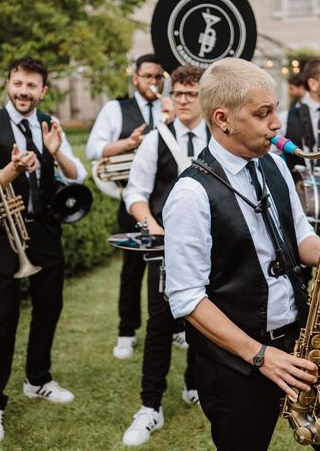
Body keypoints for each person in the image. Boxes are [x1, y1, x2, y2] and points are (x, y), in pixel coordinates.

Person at [163, 57, 320, 451]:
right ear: (223, 119)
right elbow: (186, 298)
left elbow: (300, 238)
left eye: (275, 109)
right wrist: (262, 357)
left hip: (299, 340)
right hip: (236, 362)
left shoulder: (273, 164)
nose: (277, 123)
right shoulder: (190, 195)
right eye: (263, 114)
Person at [0, 56, 87, 444]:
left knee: (49, 307)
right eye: (18, 84)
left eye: (31, 86)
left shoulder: (47, 123)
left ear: (43, 91)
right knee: (3, 318)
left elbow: (76, 174)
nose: (23, 91)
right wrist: (14, 169)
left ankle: (38, 379)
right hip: (4, 234)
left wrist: (56, 150)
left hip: (45, 230)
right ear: (8, 84)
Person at [120, 65, 208, 446]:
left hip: (208, 248)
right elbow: (135, 193)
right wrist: (151, 225)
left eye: (192, 93)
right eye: (179, 93)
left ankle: (195, 384)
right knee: (159, 326)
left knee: (206, 323)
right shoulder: (157, 140)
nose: (185, 100)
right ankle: (149, 406)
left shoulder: (219, 140)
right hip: (165, 248)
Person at [86, 54, 186, 359]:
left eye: (159, 77)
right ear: (135, 78)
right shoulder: (115, 109)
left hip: (170, 202)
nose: (154, 82)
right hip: (135, 199)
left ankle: (178, 328)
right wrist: (127, 145)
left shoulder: (173, 106)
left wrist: (172, 119)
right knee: (131, 271)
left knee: (179, 268)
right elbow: (93, 149)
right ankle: (126, 332)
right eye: (148, 77)